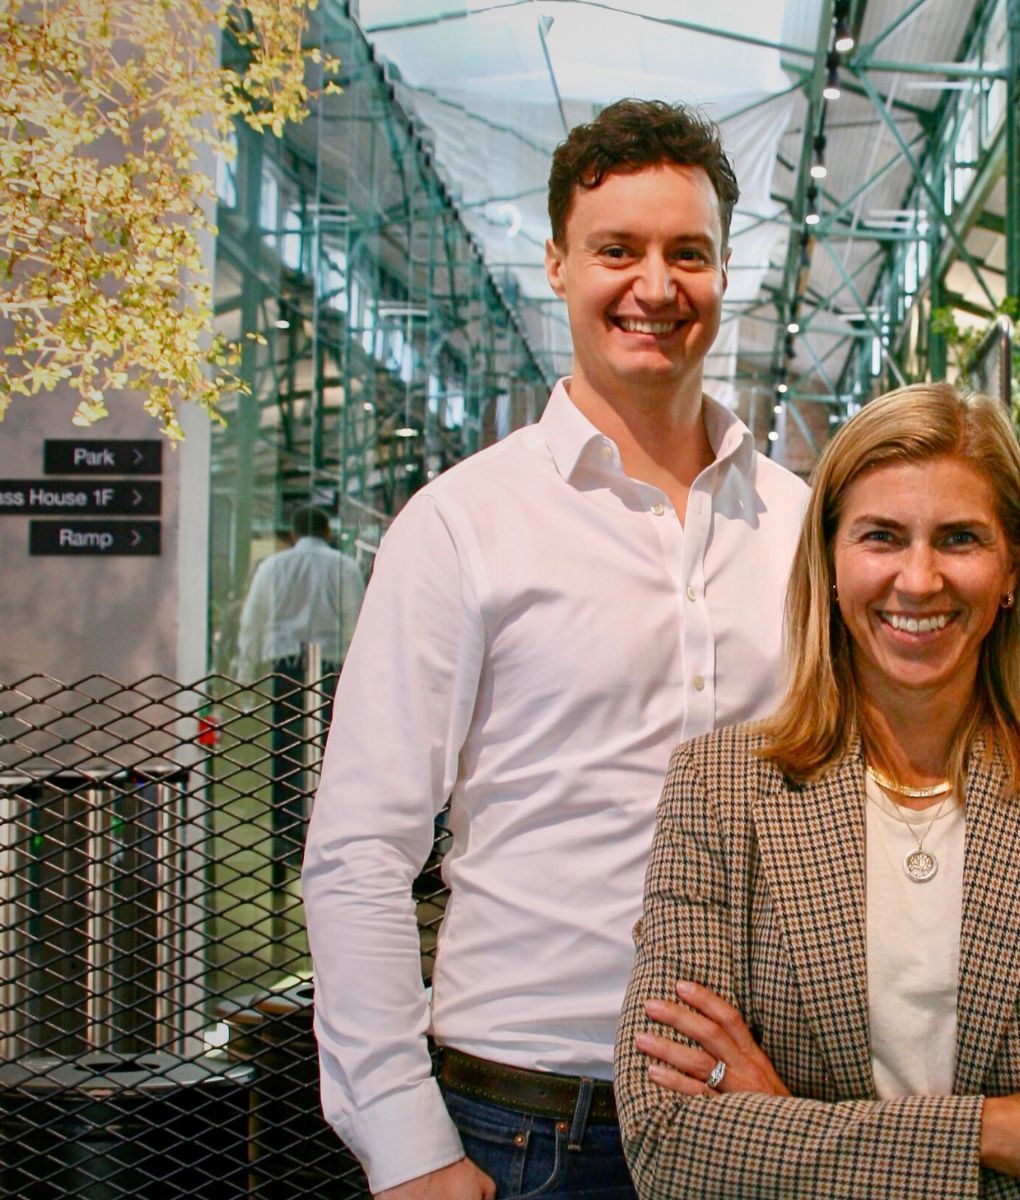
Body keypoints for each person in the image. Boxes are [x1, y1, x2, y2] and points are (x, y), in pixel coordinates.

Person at [302, 100, 809, 1200]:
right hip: (530, 1123)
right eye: (616, 250)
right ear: (556, 264)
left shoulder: (803, 524)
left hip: (762, 1112)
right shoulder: (463, 523)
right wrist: (403, 1141)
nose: (656, 286)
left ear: (727, 272)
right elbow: (358, 852)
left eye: (690, 253)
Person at [614, 384, 1020, 1200]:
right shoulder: (719, 792)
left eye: (959, 539)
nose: (918, 579)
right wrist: (1004, 1132)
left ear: (1011, 570)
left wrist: (785, 1127)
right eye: (881, 537)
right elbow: (668, 1143)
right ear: (828, 563)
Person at [235, 505, 365, 887]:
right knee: (331, 754)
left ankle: (284, 839)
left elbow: (252, 624)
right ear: (327, 531)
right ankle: (327, 844)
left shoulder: (272, 568)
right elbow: (357, 622)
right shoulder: (344, 567)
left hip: (286, 670)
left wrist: (246, 680)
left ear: (293, 533)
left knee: (284, 751)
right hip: (330, 671)